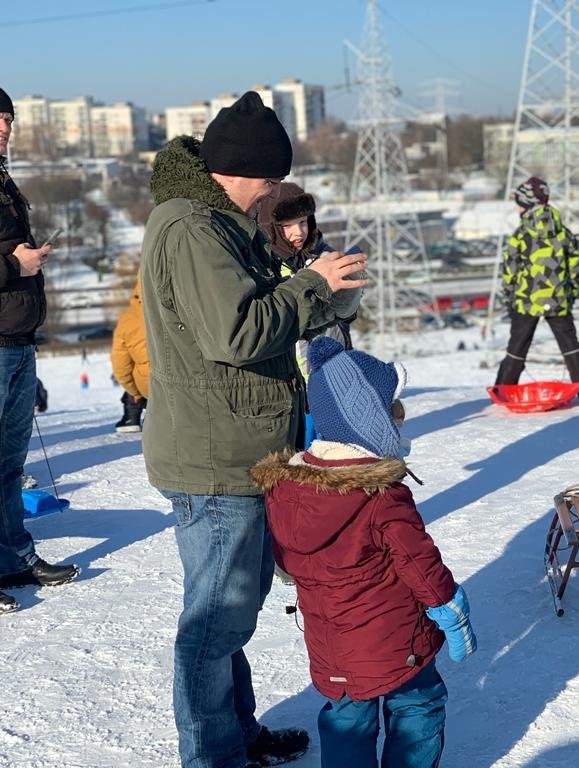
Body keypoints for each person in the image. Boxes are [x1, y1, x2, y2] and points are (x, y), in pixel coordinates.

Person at [140, 91, 368, 768]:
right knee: (214, 623)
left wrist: (328, 296)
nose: (273, 193)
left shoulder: (219, 223)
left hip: (243, 447)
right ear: (243, 171)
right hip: (215, 458)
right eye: (270, 179)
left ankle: (235, 734)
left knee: (231, 614)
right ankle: (213, 756)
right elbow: (236, 333)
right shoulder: (192, 230)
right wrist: (311, 286)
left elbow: (264, 308)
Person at [252, 337, 477, 768]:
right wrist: (450, 606)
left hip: (331, 647)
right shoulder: (381, 496)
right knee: (418, 705)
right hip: (396, 642)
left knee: (347, 719)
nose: (399, 431)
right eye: (393, 419)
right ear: (369, 422)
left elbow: (285, 558)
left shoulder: (287, 489)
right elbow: (418, 563)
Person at [0, 86, 79, 615]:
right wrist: (15, 265)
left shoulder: (5, 182)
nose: (4, 128)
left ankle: (13, 557)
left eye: (8, 118)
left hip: (17, 340)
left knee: (9, 463)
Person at [256, 182, 355, 451]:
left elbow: (344, 316)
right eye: (287, 226)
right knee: (301, 453)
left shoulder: (323, 256)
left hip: (332, 372)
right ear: (270, 227)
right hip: (291, 383)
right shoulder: (266, 268)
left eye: (303, 222)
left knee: (333, 453)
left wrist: (349, 292)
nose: (299, 232)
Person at [495, 176, 579, 404]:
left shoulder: (521, 234)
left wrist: (509, 296)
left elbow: (510, 268)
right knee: (570, 345)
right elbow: (576, 263)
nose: (518, 209)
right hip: (558, 298)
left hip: (526, 299)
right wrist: (570, 292)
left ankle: (502, 391)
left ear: (528, 204)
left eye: (520, 204)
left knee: (517, 346)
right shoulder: (563, 232)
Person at [110, 274, 148, 433]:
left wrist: (134, 392)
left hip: (152, 385)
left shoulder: (128, 318)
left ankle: (132, 414)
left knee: (137, 370)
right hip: (195, 378)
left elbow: (121, 367)